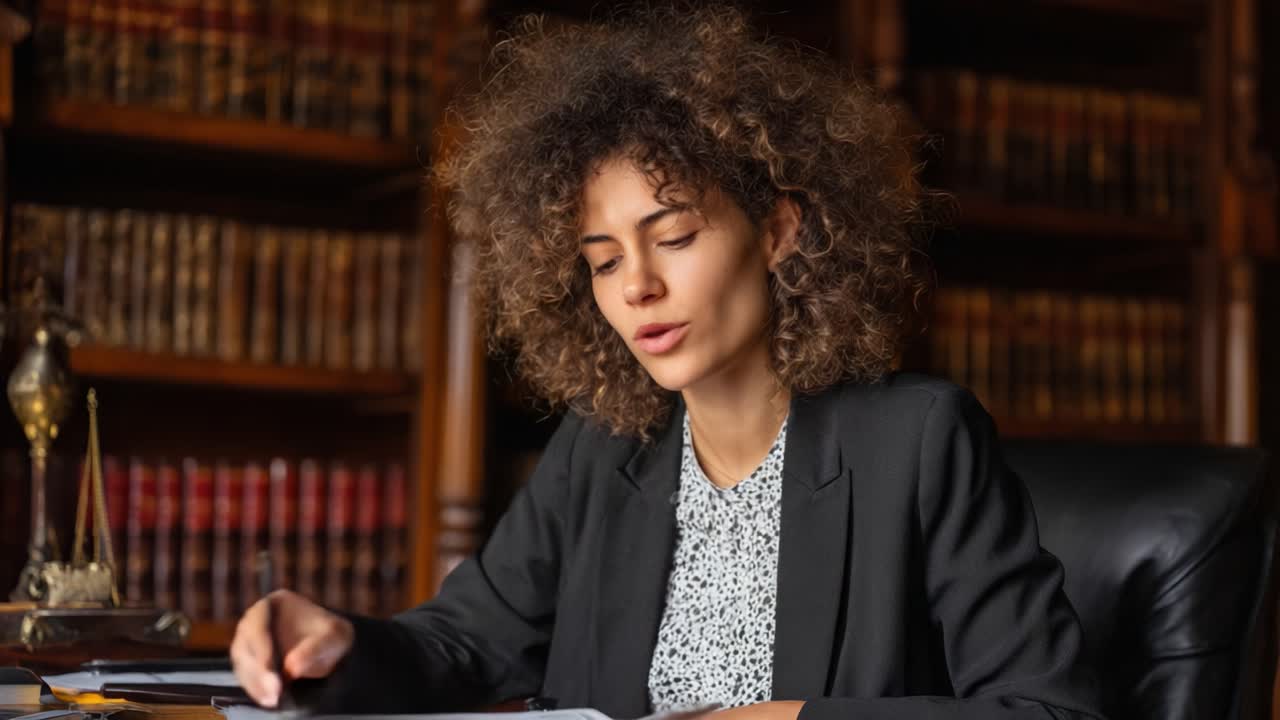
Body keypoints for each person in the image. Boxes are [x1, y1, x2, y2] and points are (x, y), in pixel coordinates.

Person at [231, 6, 1105, 720]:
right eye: (604, 260)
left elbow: (1050, 710)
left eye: (675, 236)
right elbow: (463, 647)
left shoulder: (917, 440)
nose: (637, 287)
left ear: (777, 230)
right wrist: (338, 637)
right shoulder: (605, 444)